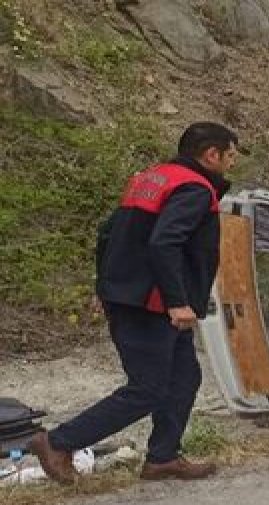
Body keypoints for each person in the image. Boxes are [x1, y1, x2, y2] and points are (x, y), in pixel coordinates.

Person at [30, 123, 240, 484]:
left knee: (185, 377)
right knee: (147, 388)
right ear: (211, 155)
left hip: (130, 294)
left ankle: (162, 457)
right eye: (230, 155)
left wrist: (107, 284)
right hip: (152, 304)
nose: (232, 164)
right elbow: (164, 243)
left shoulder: (153, 177)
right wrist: (177, 302)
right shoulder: (194, 188)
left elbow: (109, 232)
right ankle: (58, 442)